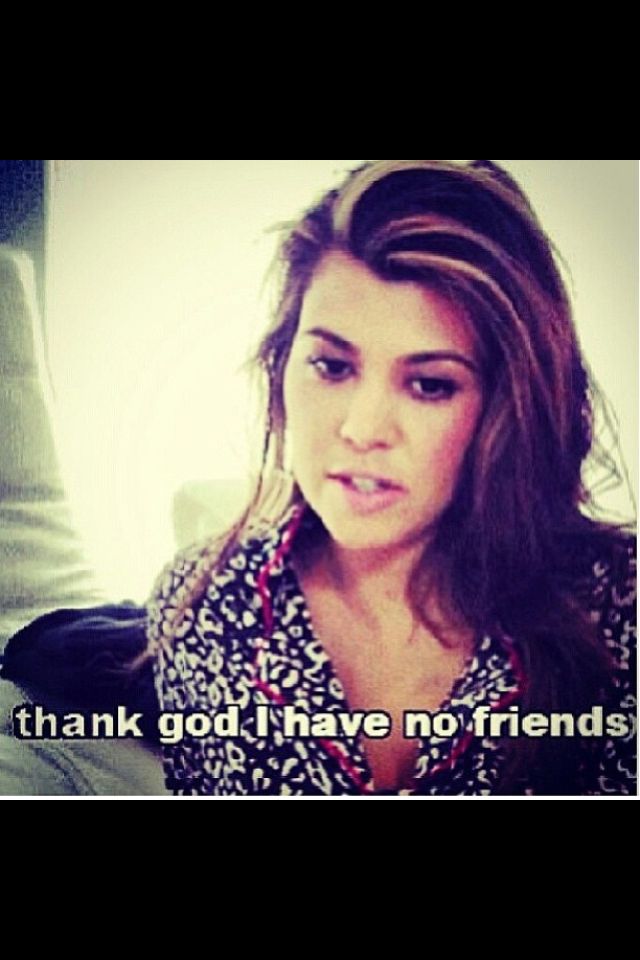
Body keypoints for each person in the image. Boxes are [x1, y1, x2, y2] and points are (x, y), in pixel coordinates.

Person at [145, 160, 636, 797]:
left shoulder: (618, 607)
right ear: (282, 364)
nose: (362, 429)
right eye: (331, 366)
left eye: (429, 385)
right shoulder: (202, 604)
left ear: (506, 408)